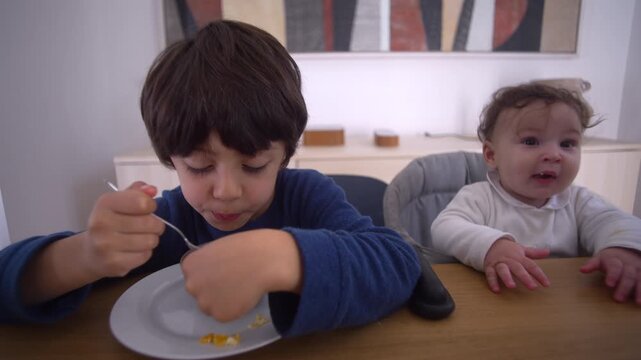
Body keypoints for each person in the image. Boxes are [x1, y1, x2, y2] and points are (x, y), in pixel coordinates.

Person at [0, 20, 421, 335]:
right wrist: (85, 255)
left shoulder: (307, 196)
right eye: (200, 167)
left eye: (254, 166)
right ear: (171, 159)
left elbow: (399, 263)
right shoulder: (168, 222)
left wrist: (284, 256)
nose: (225, 191)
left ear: (285, 156)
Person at [431, 83, 641, 305]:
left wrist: (622, 246)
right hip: (497, 302)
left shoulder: (578, 201)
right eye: (531, 141)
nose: (554, 154)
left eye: (567, 143)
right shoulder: (479, 197)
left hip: (563, 304)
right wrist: (491, 246)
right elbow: (444, 227)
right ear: (492, 155)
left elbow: (613, 220)